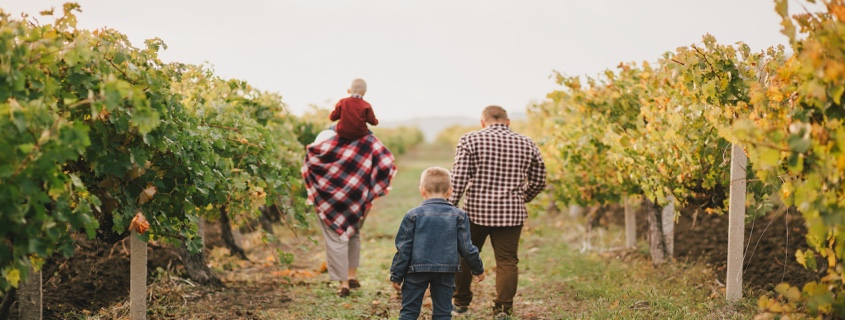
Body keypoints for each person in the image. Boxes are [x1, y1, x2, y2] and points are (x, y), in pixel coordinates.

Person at [449, 106, 546, 319]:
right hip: (511, 214)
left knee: (464, 256)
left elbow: (458, 179)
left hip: (475, 212)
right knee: (507, 261)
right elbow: (539, 180)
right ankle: (503, 309)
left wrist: (450, 205)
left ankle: (461, 303)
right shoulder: (527, 143)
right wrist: (522, 197)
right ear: (508, 121)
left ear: (482, 122)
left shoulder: (470, 140)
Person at [302, 127, 396, 297]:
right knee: (354, 233)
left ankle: (343, 283)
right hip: (357, 200)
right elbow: (381, 165)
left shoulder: (324, 137)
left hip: (328, 201)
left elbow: (311, 165)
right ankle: (352, 275)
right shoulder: (362, 144)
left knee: (335, 239)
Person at [390, 167, 486, 320]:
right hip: (446, 272)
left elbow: (403, 249)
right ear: (450, 191)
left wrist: (397, 274)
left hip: (416, 271)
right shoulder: (459, 216)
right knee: (443, 313)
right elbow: (467, 248)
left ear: (422, 191)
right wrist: (477, 268)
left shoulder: (412, 215)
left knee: (409, 312)